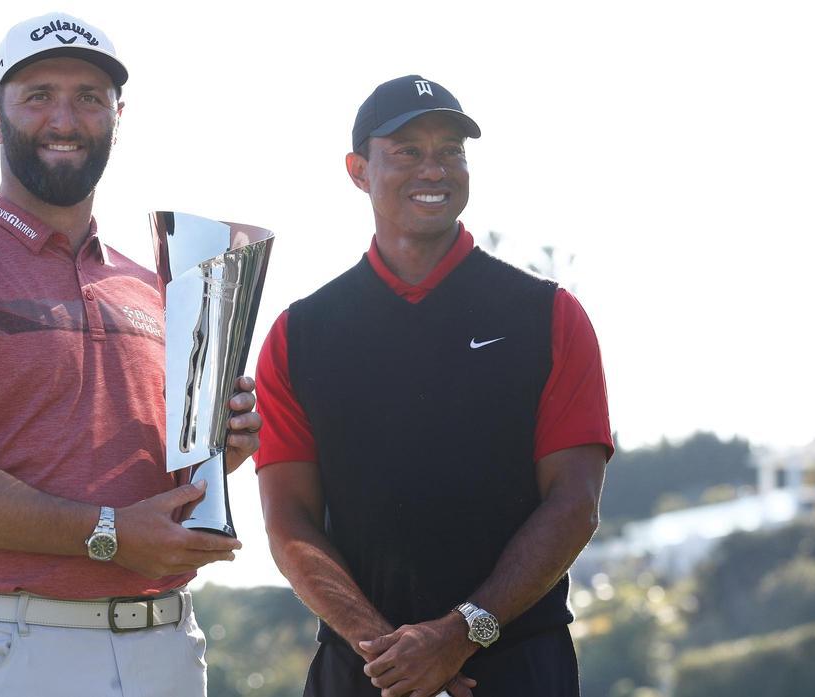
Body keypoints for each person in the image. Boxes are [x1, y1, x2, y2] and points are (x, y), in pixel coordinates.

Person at [0, 13, 260, 697]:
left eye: (89, 97)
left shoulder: (154, 285)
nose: (66, 117)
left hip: (166, 644)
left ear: (117, 114)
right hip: (10, 647)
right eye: (39, 94)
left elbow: (151, 488)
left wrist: (221, 450)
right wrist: (108, 533)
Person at [255, 75, 613, 697]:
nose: (434, 169)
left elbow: (574, 503)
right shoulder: (300, 335)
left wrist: (459, 634)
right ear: (358, 169)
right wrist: (393, 654)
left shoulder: (548, 316)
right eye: (407, 151)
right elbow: (290, 521)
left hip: (518, 665)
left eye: (450, 150)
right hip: (364, 670)